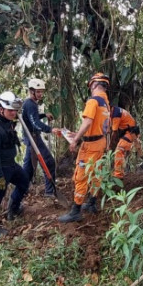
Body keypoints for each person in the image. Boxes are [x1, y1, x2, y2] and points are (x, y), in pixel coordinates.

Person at [59, 72, 111, 223]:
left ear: (93, 85)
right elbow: (100, 127)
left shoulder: (93, 101)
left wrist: (75, 140)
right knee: (96, 174)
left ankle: (75, 211)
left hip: (90, 146)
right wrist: (78, 134)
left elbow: (87, 122)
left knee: (81, 176)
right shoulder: (105, 103)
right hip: (100, 143)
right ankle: (91, 204)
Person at [0, 91, 28, 232]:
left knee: (24, 181)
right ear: (1, 109)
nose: (13, 113)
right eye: (10, 110)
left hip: (11, 164)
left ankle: (13, 210)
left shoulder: (7, 121)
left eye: (15, 110)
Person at [21, 78, 62, 197]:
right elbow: (35, 123)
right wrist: (50, 129)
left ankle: (21, 190)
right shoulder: (30, 104)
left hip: (30, 137)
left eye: (41, 91)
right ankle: (49, 191)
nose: (40, 94)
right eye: (38, 91)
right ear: (31, 91)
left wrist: (44, 115)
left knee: (28, 167)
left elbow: (32, 117)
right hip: (33, 138)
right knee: (49, 162)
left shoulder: (29, 103)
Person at [111, 106, 142, 179]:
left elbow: (114, 132)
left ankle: (118, 174)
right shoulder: (117, 110)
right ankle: (120, 172)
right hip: (130, 132)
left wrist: (110, 145)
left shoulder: (116, 114)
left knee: (119, 150)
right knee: (121, 152)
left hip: (130, 133)